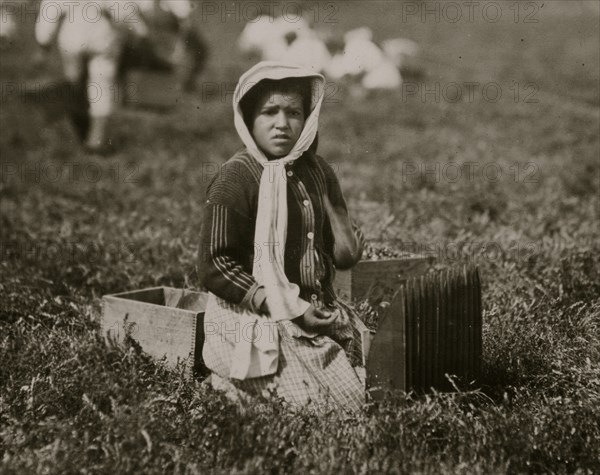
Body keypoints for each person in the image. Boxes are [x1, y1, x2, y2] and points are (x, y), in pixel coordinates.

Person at [200, 61, 368, 412]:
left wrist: (343, 238)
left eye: (294, 112)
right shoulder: (236, 179)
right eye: (269, 112)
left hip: (314, 305)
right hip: (256, 313)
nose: (282, 124)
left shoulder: (317, 172)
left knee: (380, 380)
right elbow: (214, 264)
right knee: (332, 409)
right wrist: (280, 305)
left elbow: (339, 251)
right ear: (248, 119)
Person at [35, 0, 148, 153]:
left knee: (74, 83)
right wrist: (140, 31)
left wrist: (44, 42)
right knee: (102, 86)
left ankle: (81, 131)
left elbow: (50, 9)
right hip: (101, 35)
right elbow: (122, 10)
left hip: (72, 35)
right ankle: (96, 138)